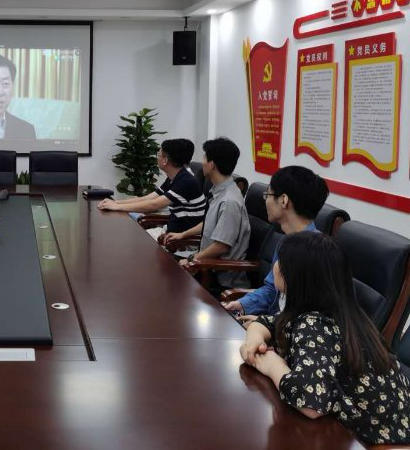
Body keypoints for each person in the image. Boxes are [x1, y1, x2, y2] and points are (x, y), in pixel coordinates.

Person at [240, 232, 410, 446]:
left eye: (280, 260)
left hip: (382, 442)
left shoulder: (315, 325)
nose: (275, 265)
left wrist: (272, 365)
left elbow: (311, 404)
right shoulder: (342, 313)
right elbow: (268, 322)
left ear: (294, 276)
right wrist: (254, 339)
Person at [222, 165, 328, 317]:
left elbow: (307, 315)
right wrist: (242, 305)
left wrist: (266, 324)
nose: (266, 201)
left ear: (284, 200)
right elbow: (272, 290)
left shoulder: (317, 253)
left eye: (268, 195)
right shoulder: (286, 241)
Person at [173, 137, 250, 288]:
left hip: (220, 279)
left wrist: (192, 259)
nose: (202, 162)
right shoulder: (220, 192)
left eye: (204, 158)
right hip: (206, 265)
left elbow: (221, 246)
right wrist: (183, 235)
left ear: (211, 164)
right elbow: (209, 223)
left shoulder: (229, 201)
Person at [98, 138, 205, 234]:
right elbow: (148, 198)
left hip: (180, 240)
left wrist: (117, 207)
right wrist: (116, 202)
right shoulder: (176, 176)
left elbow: (154, 205)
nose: (156, 158)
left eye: (158, 154)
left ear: (165, 160)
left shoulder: (185, 181)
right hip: (171, 231)